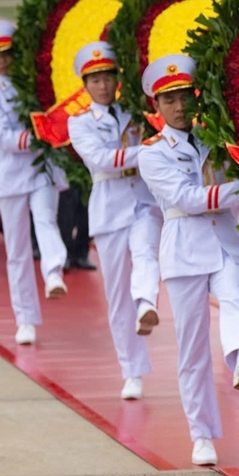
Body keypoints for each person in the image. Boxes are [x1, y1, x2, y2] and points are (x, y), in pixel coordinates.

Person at [136, 53, 239, 467]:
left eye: (184, 98)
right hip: (184, 250)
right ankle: (201, 433)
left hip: (225, 241)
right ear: (156, 106)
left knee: (235, 299)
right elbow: (185, 199)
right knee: (191, 348)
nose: (178, 107)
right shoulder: (151, 153)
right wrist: (237, 189)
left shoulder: (217, 137)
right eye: (168, 100)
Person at [67, 41, 162, 399]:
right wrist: (151, 149)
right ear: (85, 84)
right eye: (95, 79)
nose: (103, 85)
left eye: (108, 77)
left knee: (146, 253)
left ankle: (148, 302)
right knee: (116, 296)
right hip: (109, 209)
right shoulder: (79, 123)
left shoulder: (135, 113)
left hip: (142, 201)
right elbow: (103, 161)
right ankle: (131, 370)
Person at [0, 22, 68, 345]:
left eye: (7, 53)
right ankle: (25, 318)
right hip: (13, 172)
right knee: (17, 250)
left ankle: (54, 270)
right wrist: (40, 135)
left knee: (45, 218)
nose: (3, 60)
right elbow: (0, 136)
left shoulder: (33, 82)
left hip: (43, 167)